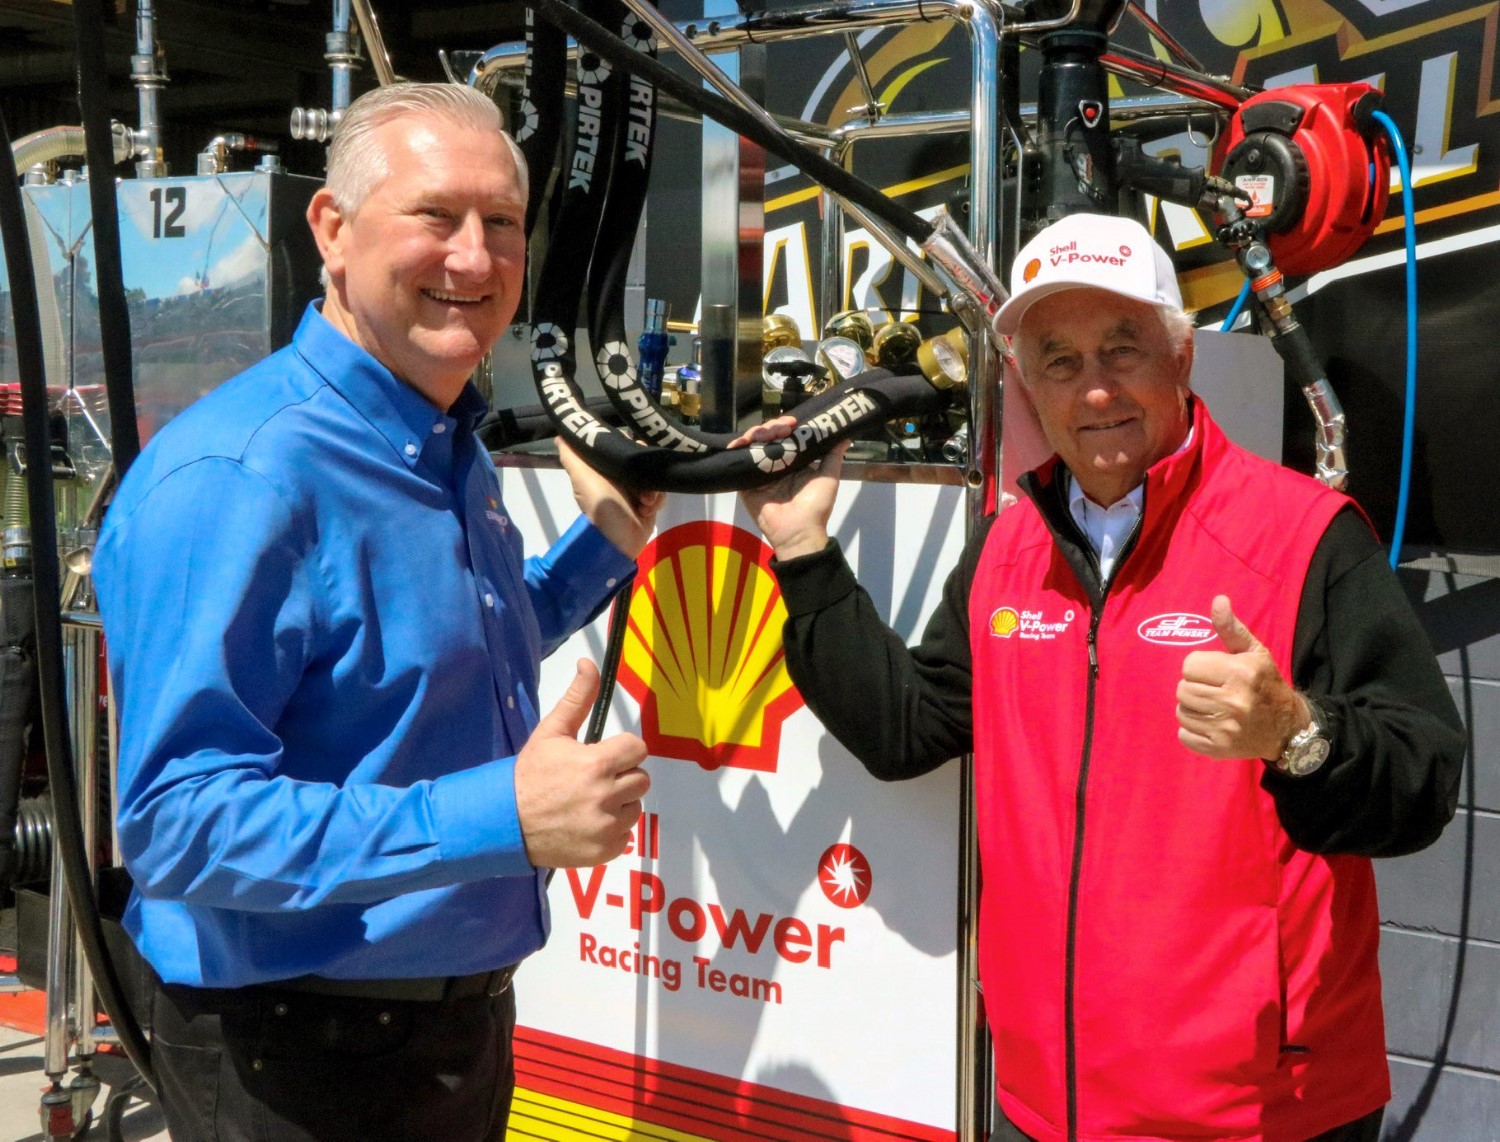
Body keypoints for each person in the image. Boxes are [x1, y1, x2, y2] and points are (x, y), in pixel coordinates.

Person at [739, 212, 1464, 1142]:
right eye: (1060, 361)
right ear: (1029, 387)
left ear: (1181, 358)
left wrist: (1296, 733)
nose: (1094, 391)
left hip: (1261, 1114)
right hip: (1048, 1106)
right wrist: (803, 553)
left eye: (1122, 349)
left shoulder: (1304, 535)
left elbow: (1424, 784)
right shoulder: (1009, 549)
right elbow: (905, 728)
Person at [93, 83, 661, 1142]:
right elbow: (175, 823)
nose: (476, 260)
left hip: (449, 1031)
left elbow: (433, 657)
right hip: (298, 1056)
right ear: (332, 230)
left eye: (501, 224)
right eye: (436, 216)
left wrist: (606, 545)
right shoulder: (243, 474)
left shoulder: (440, 437)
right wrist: (502, 814)